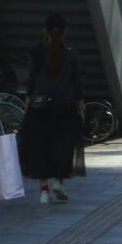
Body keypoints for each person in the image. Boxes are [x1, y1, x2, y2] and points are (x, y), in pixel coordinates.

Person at [20, 13, 85, 203]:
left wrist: (27, 102)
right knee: (62, 146)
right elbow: (77, 83)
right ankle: (59, 181)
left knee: (40, 147)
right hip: (65, 107)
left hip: (39, 108)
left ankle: (44, 192)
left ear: (44, 31)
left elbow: (32, 80)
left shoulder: (38, 52)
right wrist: (80, 106)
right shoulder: (71, 54)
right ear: (66, 31)